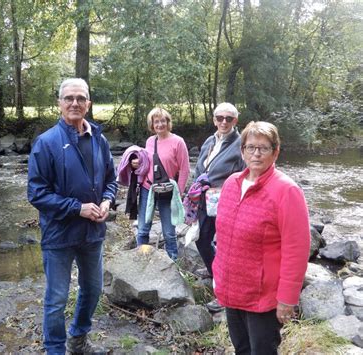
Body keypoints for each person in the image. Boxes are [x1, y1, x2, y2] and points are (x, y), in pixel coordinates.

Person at [27, 78, 117, 355]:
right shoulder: (46, 142)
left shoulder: (99, 139)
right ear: (59, 103)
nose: (74, 103)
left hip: (92, 234)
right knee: (56, 300)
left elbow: (111, 180)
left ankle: (78, 340)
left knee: (92, 291)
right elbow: (36, 193)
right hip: (59, 234)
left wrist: (106, 200)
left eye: (80, 98)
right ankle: (55, 350)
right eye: (69, 98)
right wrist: (76, 208)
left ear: (89, 103)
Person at [213, 121, 310, 354]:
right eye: (250, 147)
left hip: (263, 297)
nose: (256, 153)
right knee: (241, 349)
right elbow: (224, 237)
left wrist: (287, 299)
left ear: (275, 152)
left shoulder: (286, 190)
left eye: (263, 148)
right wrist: (218, 276)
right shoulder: (230, 184)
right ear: (242, 150)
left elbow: (296, 250)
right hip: (232, 289)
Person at [194, 103, 245, 281]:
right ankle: (214, 270)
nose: (224, 122)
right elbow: (199, 168)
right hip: (203, 199)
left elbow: (245, 175)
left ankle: (223, 282)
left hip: (225, 203)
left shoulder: (241, 144)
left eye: (228, 118)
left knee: (225, 245)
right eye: (220, 118)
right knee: (201, 239)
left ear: (235, 121)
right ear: (214, 120)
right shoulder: (210, 141)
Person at [131, 107, 189, 260]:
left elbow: (184, 169)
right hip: (147, 189)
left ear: (168, 122)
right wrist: (135, 163)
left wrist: (179, 194)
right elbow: (146, 163)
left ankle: (173, 264)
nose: (160, 124)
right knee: (143, 229)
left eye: (163, 121)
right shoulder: (150, 141)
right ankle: (140, 260)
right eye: (156, 122)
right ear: (152, 124)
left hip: (168, 191)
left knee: (169, 232)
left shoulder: (178, 142)